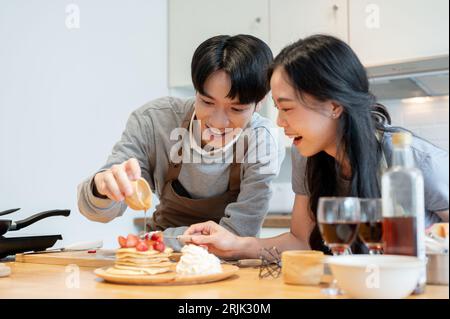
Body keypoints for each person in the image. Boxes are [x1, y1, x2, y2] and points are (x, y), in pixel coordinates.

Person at [182, 35, 449, 258]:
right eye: (277, 108)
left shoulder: (411, 159)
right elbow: (302, 242)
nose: (279, 121)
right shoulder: (307, 155)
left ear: (334, 106)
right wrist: (236, 244)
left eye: (287, 108)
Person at [77, 35, 285, 250]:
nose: (217, 122)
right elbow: (93, 210)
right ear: (195, 91)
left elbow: (237, 236)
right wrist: (101, 188)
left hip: (227, 267)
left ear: (260, 102)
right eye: (206, 102)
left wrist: (158, 239)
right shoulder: (154, 121)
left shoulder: (263, 141)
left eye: (237, 109)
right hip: (159, 260)